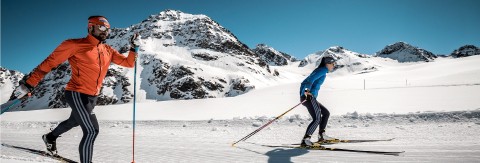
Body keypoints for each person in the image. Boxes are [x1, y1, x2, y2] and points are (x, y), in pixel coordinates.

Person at [11, 15, 139, 163]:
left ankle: (50, 137)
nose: (105, 32)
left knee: (74, 121)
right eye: (101, 27)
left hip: (92, 97)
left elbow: (128, 63)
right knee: (91, 130)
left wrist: (133, 48)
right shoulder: (74, 45)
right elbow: (49, 63)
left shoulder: (107, 50)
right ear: (90, 27)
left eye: (108, 29)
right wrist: (29, 83)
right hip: (76, 92)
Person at [299, 56, 336, 147]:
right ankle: (306, 139)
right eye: (333, 64)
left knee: (326, 113)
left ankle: (322, 136)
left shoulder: (322, 70)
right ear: (327, 63)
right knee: (317, 118)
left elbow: (307, 81)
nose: (334, 66)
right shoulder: (322, 70)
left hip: (310, 97)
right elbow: (309, 80)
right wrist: (306, 92)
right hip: (308, 96)